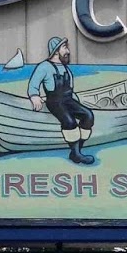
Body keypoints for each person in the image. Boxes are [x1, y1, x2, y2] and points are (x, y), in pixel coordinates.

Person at [27, 36, 95, 165]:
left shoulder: (66, 69)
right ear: (56, 51)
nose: (68, 51)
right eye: (65, 48)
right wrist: (34, 96)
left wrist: (77, 100)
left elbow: (70, 89)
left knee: (88, 115)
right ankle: (76, 154)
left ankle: (77, 150)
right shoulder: (44, 66)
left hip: (68, 100)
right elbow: (33, 84)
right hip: (54, 101)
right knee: (69, 122)